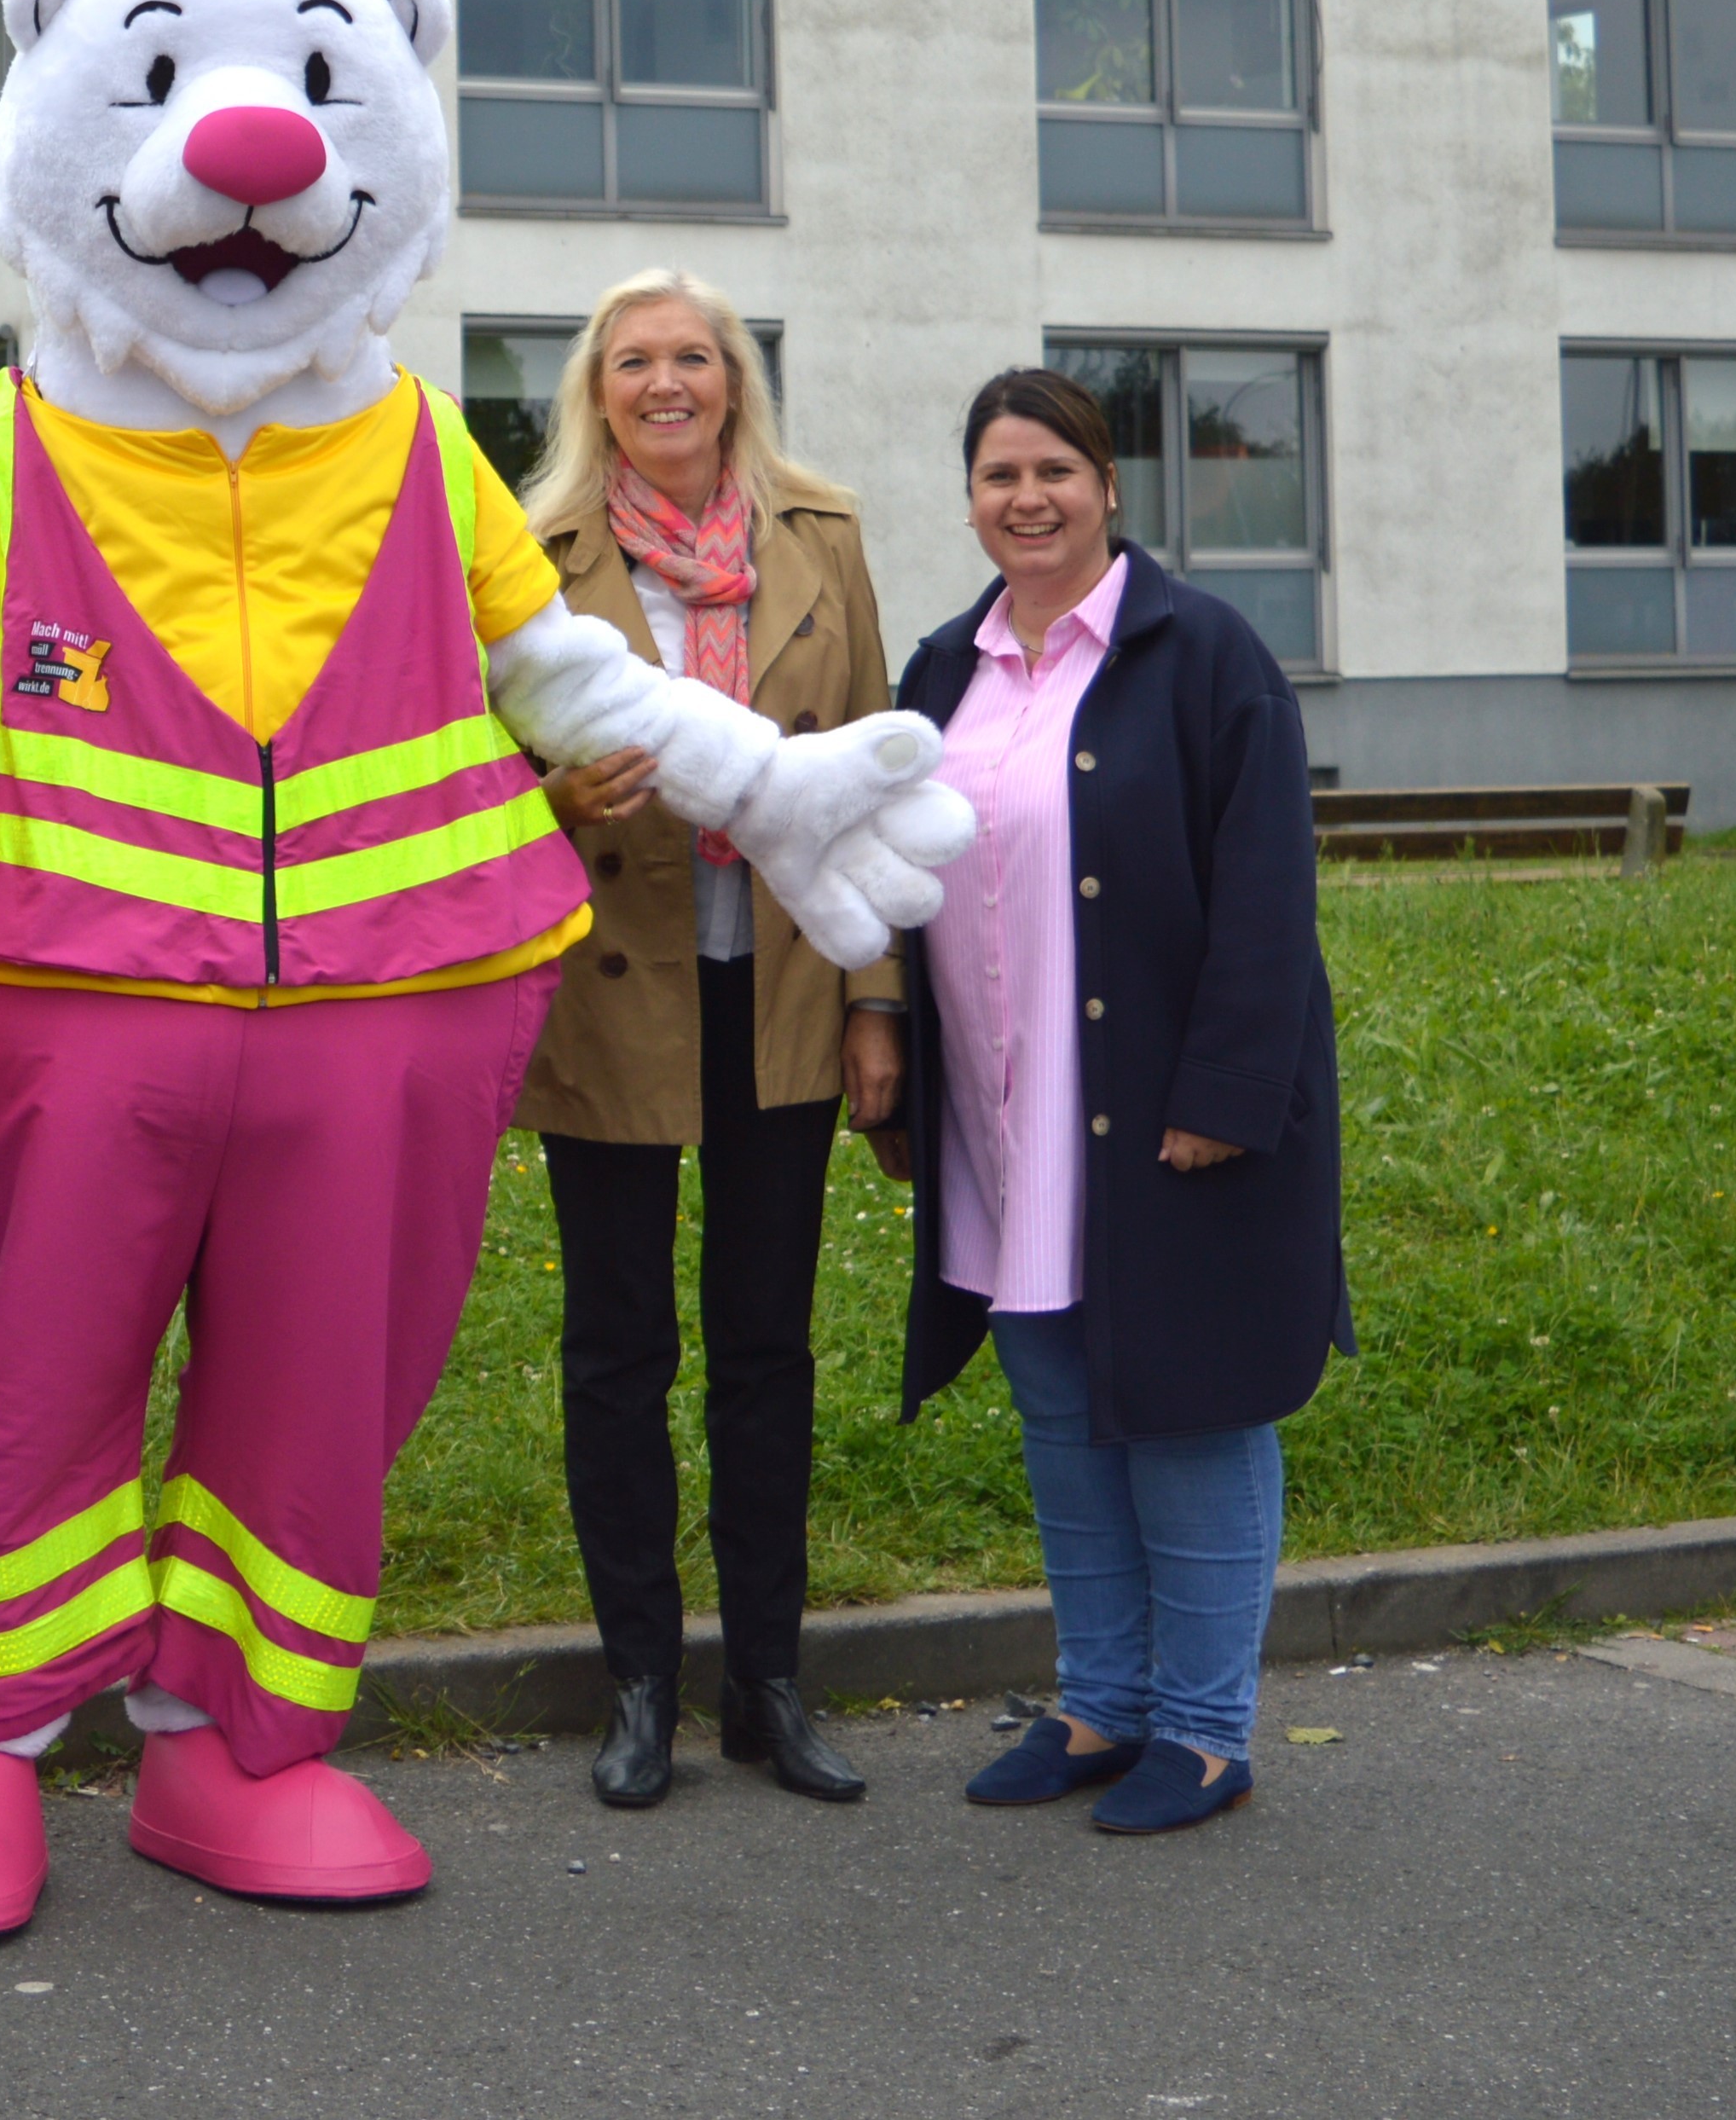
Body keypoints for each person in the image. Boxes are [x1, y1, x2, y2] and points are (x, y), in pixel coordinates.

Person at [881, 367, 1346, 1838]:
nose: (1027, 499)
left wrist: (1227, 1092)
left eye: (1054, 472)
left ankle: (1204, 1732)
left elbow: (1269, 899)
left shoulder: (1202, 655)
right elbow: (895, 869)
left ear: (1109, 488)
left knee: (1191, 1410)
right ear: (969, 497)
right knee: (1063, 1411)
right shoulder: (943, 668)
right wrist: (880, 1024)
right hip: (1004, 1116)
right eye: (998, 475)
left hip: (1156, 1117)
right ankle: (1101, 1703)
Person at [507, 271, 901, 1813]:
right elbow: (450, 780)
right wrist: (548, 805)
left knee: (765, 1348)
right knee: (615, 1353)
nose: (664, 385)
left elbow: (874, 769)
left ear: (734, 382)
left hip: (787, 987)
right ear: (593, 393)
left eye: (693, 359)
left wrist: (880, 1002)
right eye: (632, 363)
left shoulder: (825, 540)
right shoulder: (527, 562)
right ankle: (636, 1691)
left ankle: (768, 1686)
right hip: (612, 990)